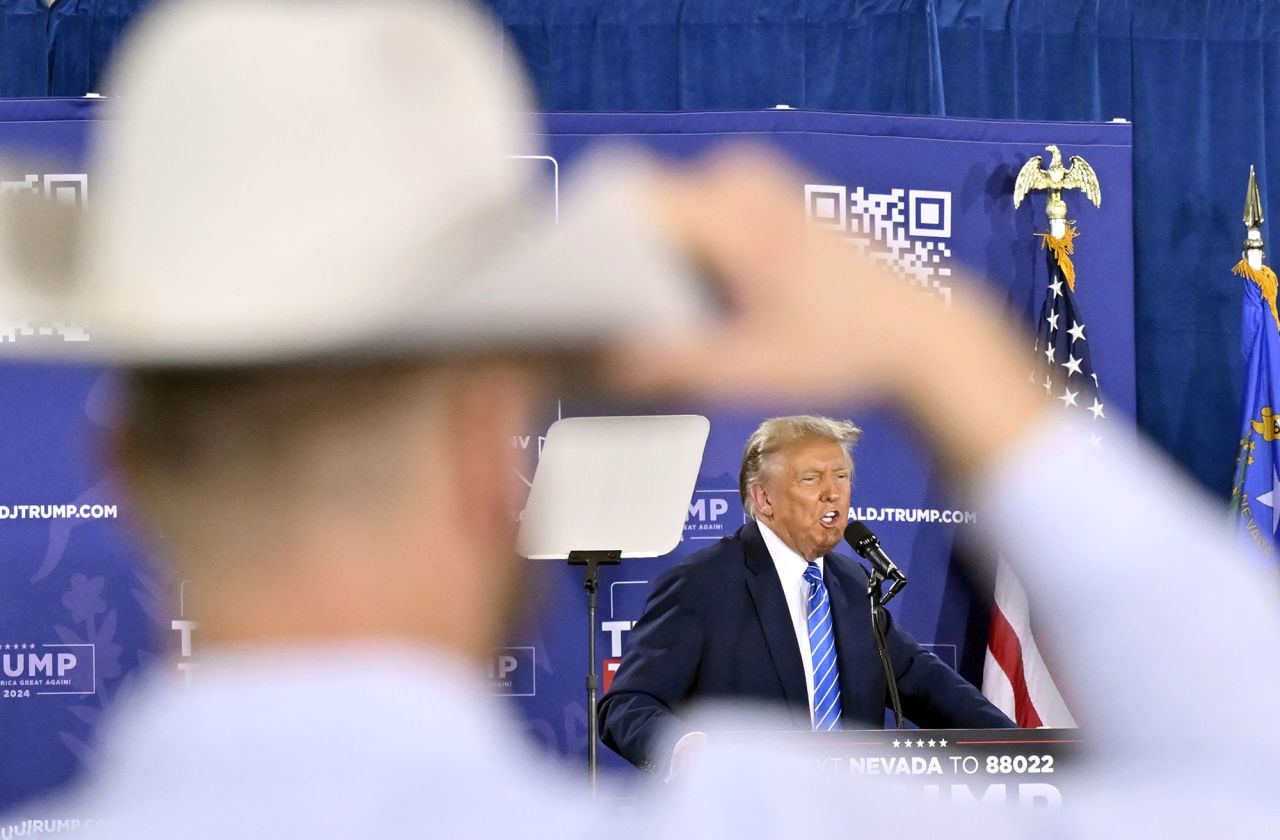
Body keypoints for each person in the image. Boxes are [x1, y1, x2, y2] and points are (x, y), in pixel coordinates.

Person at [1, 0, 1279, 837]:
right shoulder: (748, 815)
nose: (836, 501)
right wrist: (948, 353)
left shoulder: (846, 604)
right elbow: (1252, 771)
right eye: (816, 481)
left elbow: (932, 686)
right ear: (491, 461)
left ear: (124, 468)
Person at [599, 415, 1012, 772]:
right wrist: (686, 751)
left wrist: (1028, 751)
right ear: (763, 498)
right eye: (811, 478)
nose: (833, 493)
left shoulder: (853, 584)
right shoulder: (702, 584)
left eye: (842, 477)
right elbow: (628, 705)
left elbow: (924, 683)